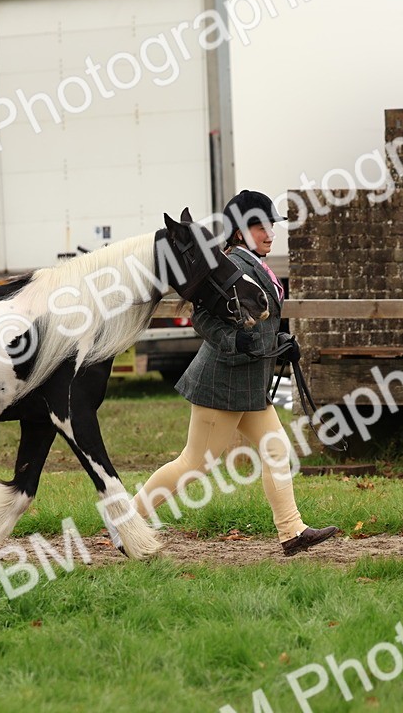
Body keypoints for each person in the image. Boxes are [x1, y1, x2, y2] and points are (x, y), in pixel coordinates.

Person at [136, 190, 338, 557]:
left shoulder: (256, 264)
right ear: (240, 231)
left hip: (248, 385)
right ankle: (126, 521)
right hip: (223, 383)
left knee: (276, 448)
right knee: (193, 464)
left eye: (271, 225)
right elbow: (201, 317)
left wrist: (280, 341)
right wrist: (234, 341)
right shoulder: (232, 265)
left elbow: (259, 320)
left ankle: (292, 531)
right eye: (260, 226)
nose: (270, 233)